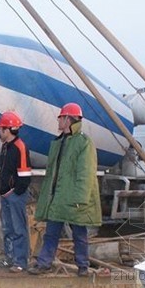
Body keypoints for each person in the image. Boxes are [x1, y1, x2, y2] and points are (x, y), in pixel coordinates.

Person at [27, 103, 102, 277]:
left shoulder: (84, 143)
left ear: (68, 119)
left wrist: (80, 199)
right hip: (59, 198)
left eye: (60, 117)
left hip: (73, 200)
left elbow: (85, 173)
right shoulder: (59, 142)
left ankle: (83, 266)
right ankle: (44, 263)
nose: (58, 121)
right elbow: (53, 172)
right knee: (51, 234)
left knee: (79, 235)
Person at [0, 111, 32, 273]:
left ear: (7, 130)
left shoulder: (19, 147)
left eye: (0, 129)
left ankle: (20, 262)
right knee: (7, 229)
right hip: (6, 195)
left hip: (14, 196)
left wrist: (14, 192)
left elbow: (24, 176)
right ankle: (9, 258)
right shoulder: (6, 146)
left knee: (18, 229)